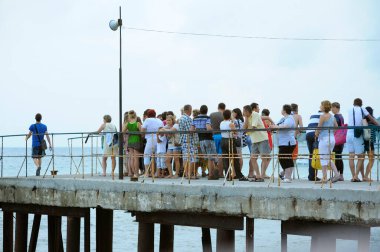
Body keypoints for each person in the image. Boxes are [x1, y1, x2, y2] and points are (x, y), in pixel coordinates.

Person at [346, 98, 379, 182]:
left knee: (352, 156)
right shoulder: (362, 109)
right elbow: (371, 118)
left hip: (349, 133)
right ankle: (358, 176)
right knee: (361, 157)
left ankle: (356, 176)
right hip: (359, 136)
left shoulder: (349, 109)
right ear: (361, 104)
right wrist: (378, 125)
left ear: (354, 103)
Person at [314, 100, 340, 183]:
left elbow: (319, 128)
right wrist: (332, 133)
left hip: (324, 139)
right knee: (327, 157)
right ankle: (335, 175)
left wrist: (316, 134)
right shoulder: (332, 116)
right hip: (331, 138)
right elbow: (336, 126)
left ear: (324, 107)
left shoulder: (322, 116)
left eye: (321, 105)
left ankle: (326, 177)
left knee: (323, 158)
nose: (320, 107)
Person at [270, 105, 296, 183]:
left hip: (288, 142)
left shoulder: (289, 118)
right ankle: (286, 175)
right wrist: (273, 126)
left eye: (282, 109)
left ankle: (287, 177)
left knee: (284, 158)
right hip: (282, 142)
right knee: (285, 158)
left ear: (284, 110)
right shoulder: (283, 119)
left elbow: (286, 126)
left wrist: (276, 126)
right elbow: (277, 126)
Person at [246, 103, 271, 182]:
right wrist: (246, 119)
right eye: (258, 107)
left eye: (244, 111)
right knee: (253, 158)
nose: (259, 109)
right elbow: (244, 128)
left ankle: (262, 175)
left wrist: (246, 130)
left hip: (262, 139)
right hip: (254, 140)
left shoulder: (256, 114)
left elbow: (253, 127)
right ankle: (258, 175)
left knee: (264, 158)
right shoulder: (248, 117)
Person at [220, 109, 248, 181]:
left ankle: (228, 175)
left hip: (223, 140)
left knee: (225, 159)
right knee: (235, 158)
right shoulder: (231, 123)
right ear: (230, 115)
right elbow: (235, 132)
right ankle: (239, 175)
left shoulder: (221, 123)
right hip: (230, 140)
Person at [191, 105, 218, 179]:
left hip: (201, 140)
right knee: (211, 158)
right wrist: (213, 130)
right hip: (208, 139)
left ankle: (211, 174)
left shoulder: (195, 119)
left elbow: (192, 129)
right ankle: (211, 175)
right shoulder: (208, 118)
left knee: (208, 158)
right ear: (207, 110)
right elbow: (208, 128)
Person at [141, 109, 164, 176]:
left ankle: (147, 173)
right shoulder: (159, 120)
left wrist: (143, 136)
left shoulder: (147, 120)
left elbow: (142, 130)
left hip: (150, 139)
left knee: (146, 155)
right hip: (159, 139)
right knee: (157, 156)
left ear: (148, 115)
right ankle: (157, 173)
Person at [179, 105, 198, 179]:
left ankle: (186, 174)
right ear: (189, 110)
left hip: (183, 139)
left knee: (185, 158)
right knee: (192, 158)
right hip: (189, 140)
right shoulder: (188, 119)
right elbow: (190, 130)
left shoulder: (181, 118)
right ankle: (190, 174)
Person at [305, 110, 323, 181]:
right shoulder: (324, 115)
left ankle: (311, 175)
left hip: (308, 134)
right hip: (315, 134)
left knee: (311, 155)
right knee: (316, 155)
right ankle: (313, 176)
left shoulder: (313, 114)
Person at [210, 103, 226, 177]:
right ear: (224, 108)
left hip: (214, 136)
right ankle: (221, 173)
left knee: (213, 155)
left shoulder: (212, 114)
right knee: (220, 156)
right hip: (222, 136)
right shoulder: (224, 115)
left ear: (218, 107)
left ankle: (212, 172)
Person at [125, 110, 142, 180]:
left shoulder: (127, 124)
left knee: (131, 158)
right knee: (136, 158)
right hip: (137, 140)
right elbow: (141, 132)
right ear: (135, 116)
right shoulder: (138, 123)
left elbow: (123, 131)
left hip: (130, 140)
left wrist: (129, 132)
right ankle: (136, 173)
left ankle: (133, 172)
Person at [331, 102, 345, 181]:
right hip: (341, 138)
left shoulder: (336, 116)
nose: (331, 110)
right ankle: (341, 175)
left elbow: (334, 127)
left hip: (337, 138)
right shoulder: (341, 116)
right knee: (339, 156)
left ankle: (337, 175)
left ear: (336, 108)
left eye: (332, 108)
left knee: (336, 157)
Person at [363, 106, 377, 182]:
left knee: (362, 159)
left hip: (363, 141)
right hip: (370, 142)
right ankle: (366, 176)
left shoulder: (363, 120)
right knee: (372, 159)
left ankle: (362, 175)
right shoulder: (372, 121)